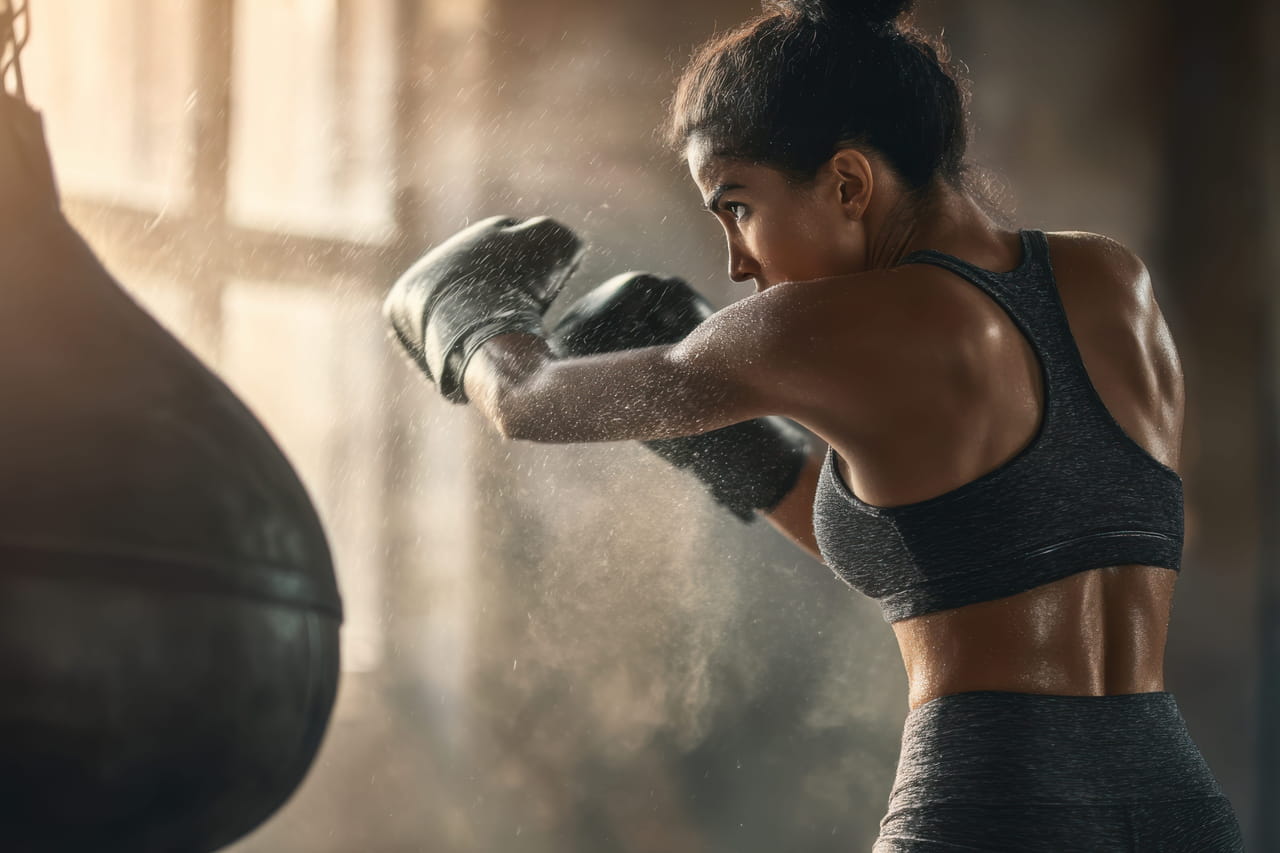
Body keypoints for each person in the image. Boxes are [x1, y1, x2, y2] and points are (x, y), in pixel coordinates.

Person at [383, 0, 1246, 849]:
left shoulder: (822, 328)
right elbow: (964, 563)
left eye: (737, 206)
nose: (736, 261)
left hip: (994, 804)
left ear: (847, 182)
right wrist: (737, 450)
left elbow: (529, 398)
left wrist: (468, 316)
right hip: (1177, 804)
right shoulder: (1111, 281)